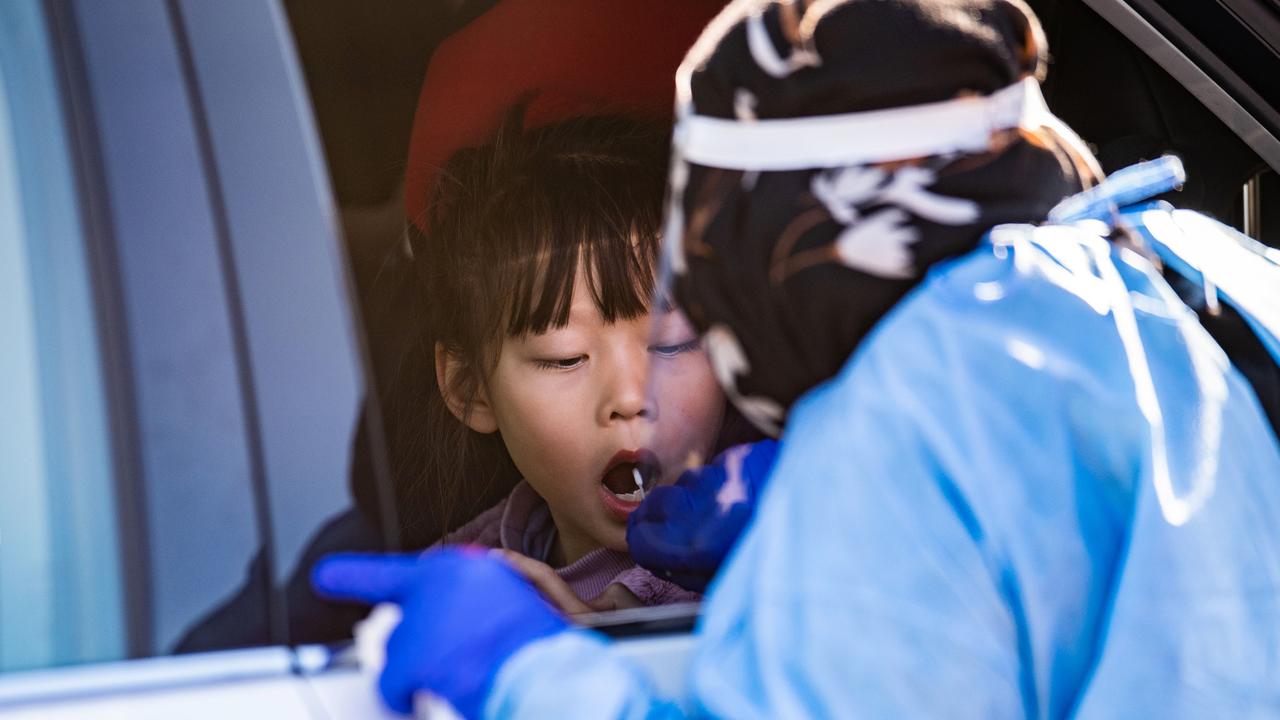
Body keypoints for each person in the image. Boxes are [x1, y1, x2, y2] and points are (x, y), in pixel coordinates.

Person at [314, 0, 1280, 717]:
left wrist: (525, 672)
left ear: (812, 228)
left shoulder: (929, 402)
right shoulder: (1163, 280)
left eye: (698, 308)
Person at [385, 0, 735, 614]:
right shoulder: (462, 573)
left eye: (672, 341)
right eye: (563, 356)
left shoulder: (785, 545)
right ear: (471, 391)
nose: (630, 395)